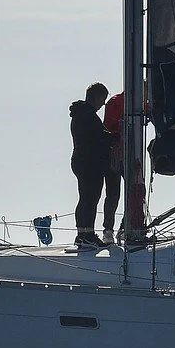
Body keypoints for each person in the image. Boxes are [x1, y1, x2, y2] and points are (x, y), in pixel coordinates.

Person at [69, 82, 113, 247]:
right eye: (103, 99)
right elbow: (98, 137)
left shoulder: (81, 114)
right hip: (89, 162)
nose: (103, 104)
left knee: (85, 198)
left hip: (81, 161)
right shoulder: (87, 115)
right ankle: (87, 234)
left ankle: (83, 233)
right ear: (97, 97)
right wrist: (115, 136)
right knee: (90, 198)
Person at [102, 91, 146, 242]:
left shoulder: (142, 103)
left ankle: (125, 226)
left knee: (136, 190)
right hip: (114, 152)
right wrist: (122, 125)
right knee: (113, 193)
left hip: (132, 153)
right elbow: (107, 126)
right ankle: (108, 230)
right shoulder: (115, 101)